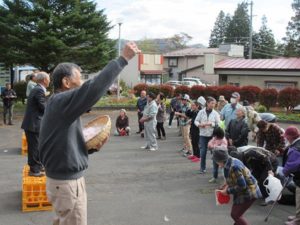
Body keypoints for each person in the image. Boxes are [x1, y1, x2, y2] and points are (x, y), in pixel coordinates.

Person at [39, 42, 139, 225]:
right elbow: (93, 88)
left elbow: (60, 143)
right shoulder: (61, 101)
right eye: (79, 80)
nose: (83, 84)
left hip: (62, 182)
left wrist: (90, 149)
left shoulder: (60, 105)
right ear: (66, 82)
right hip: (66, 184)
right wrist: (123, 59)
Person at [214, 148, 262, 225]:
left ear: (221, 160)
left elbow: (242, 186)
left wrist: (227, 191)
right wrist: (225, 185)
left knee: (235, 214)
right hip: (245, 191)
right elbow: (232, 178)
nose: (217, 164)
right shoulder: (230, 161)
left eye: (216, 161)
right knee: (237, 214)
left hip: (250, 192)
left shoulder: (234, 167)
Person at [21, 72, 50, 176]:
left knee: (37, 147)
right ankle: (34, 170)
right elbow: (43, 107)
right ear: (44, 80)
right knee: (34, 148)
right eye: (49, 78)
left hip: (34, 123)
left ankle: (38, 166)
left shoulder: (38, 89)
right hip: (33, 124)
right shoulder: (38, 90)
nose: (50, 81)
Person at [279, 126, 300, 225]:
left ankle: (298, 219)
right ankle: (297, 216)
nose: (285, 138)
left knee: (299, 198)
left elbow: (292, 164)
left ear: (291, 137)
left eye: (286, 136)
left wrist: (285, 172)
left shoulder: (296, 148)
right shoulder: (297, 144)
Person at [194, 97, 220, 173]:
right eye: (212, 103)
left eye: (214, 103)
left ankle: (215, 169)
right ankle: (202, 168)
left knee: (214, 152)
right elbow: (196, 121)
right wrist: (199, 125)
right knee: (203, 152)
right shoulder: (201, 112)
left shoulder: (215, 113)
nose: (213, 105)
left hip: (212, 136)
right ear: (207, 103)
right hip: (203, 135)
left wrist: (210, 124)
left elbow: (218, 123)